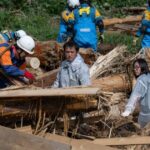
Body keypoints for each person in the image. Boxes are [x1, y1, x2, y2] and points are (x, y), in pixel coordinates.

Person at [121, 58, 150, 128]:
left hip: (147, 114)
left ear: (143, 67)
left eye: (137, 67)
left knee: (142, 133)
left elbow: (136, 95)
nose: (135, 69)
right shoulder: (148, 76)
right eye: (134, 67)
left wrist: (128, 110)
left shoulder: (142, 80)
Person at [133, 0, 150, 68]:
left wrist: (137, 36)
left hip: (148, 38)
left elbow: (144, 25)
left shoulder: (148, 12)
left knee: (145, 53)